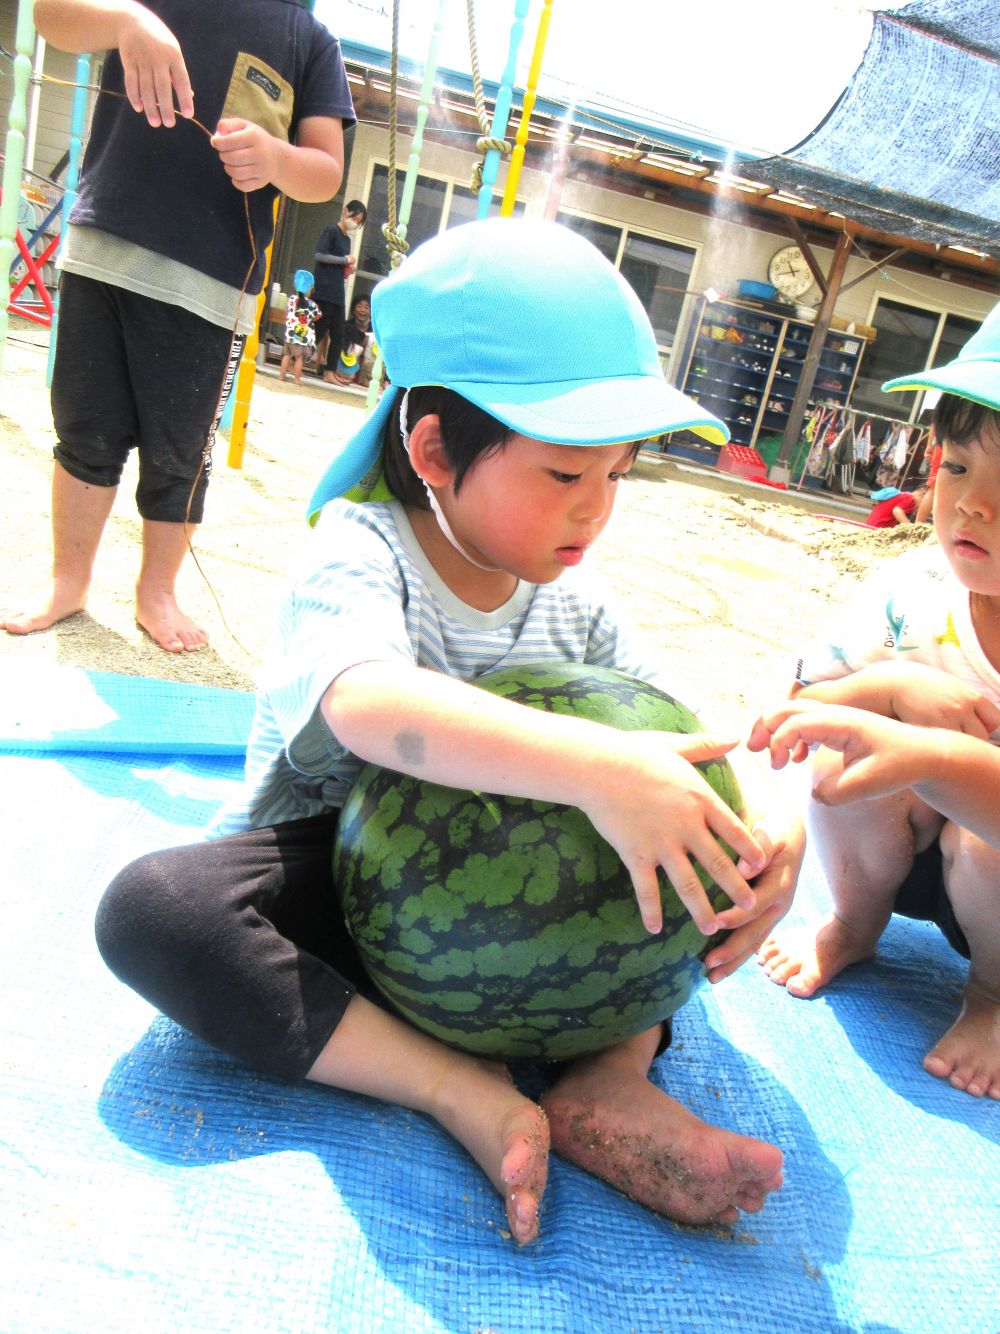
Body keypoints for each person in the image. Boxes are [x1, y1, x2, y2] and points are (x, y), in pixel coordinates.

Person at [95, 219, 804, 1246]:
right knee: (155, 909)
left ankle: (605, 1083)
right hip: (340, 889)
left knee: (685, 856)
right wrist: (599, 769)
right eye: (565, 476)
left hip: (527, 935)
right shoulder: (359, 550)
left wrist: (769, 832)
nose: (595, 511)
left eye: (617, 475)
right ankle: (452, 1085)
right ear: (433, 449)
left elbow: (690, 739)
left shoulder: (579, 609)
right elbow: (369, 703)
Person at [1, 0, 354, 653]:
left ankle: (156, 592)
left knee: (180, 452)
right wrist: (125, 20)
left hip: (212, 283)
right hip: (103, 246)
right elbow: (52, 15)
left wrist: (278, 158)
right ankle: (67, 581)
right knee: (84, 430)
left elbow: (327, 169)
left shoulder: (309, 39)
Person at [756, 301, 1000, 1100]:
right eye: (958, 467)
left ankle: (994, 997)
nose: (973, 507)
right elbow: (804, 702)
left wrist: (941, 754)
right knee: (844, 747)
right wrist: (893, 689)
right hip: (907, 847)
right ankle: (854, 928)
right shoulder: (914, 591)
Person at [313, 199, 367, 382]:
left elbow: (340, 265)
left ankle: (330, 372)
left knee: (338, 333)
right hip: (324, 289)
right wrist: (344, 260)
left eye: (359, 221)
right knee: (319, 328)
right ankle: (296, 357)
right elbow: (320, 255)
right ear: (346, 211)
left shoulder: (346, 240)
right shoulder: (331, 231)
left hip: (337, 292)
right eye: (355, 217)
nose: (355, 222)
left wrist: (347, 270)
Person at [279, 269, 320, 387]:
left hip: (289, 335)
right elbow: (317, 316)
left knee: (287, 355)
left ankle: (282, 376)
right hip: (301, 337)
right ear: (311, 289)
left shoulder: (290, 300)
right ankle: (297, 379)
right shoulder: (311, 304)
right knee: (299, 358)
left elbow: (286, 313)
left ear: (294, 285)